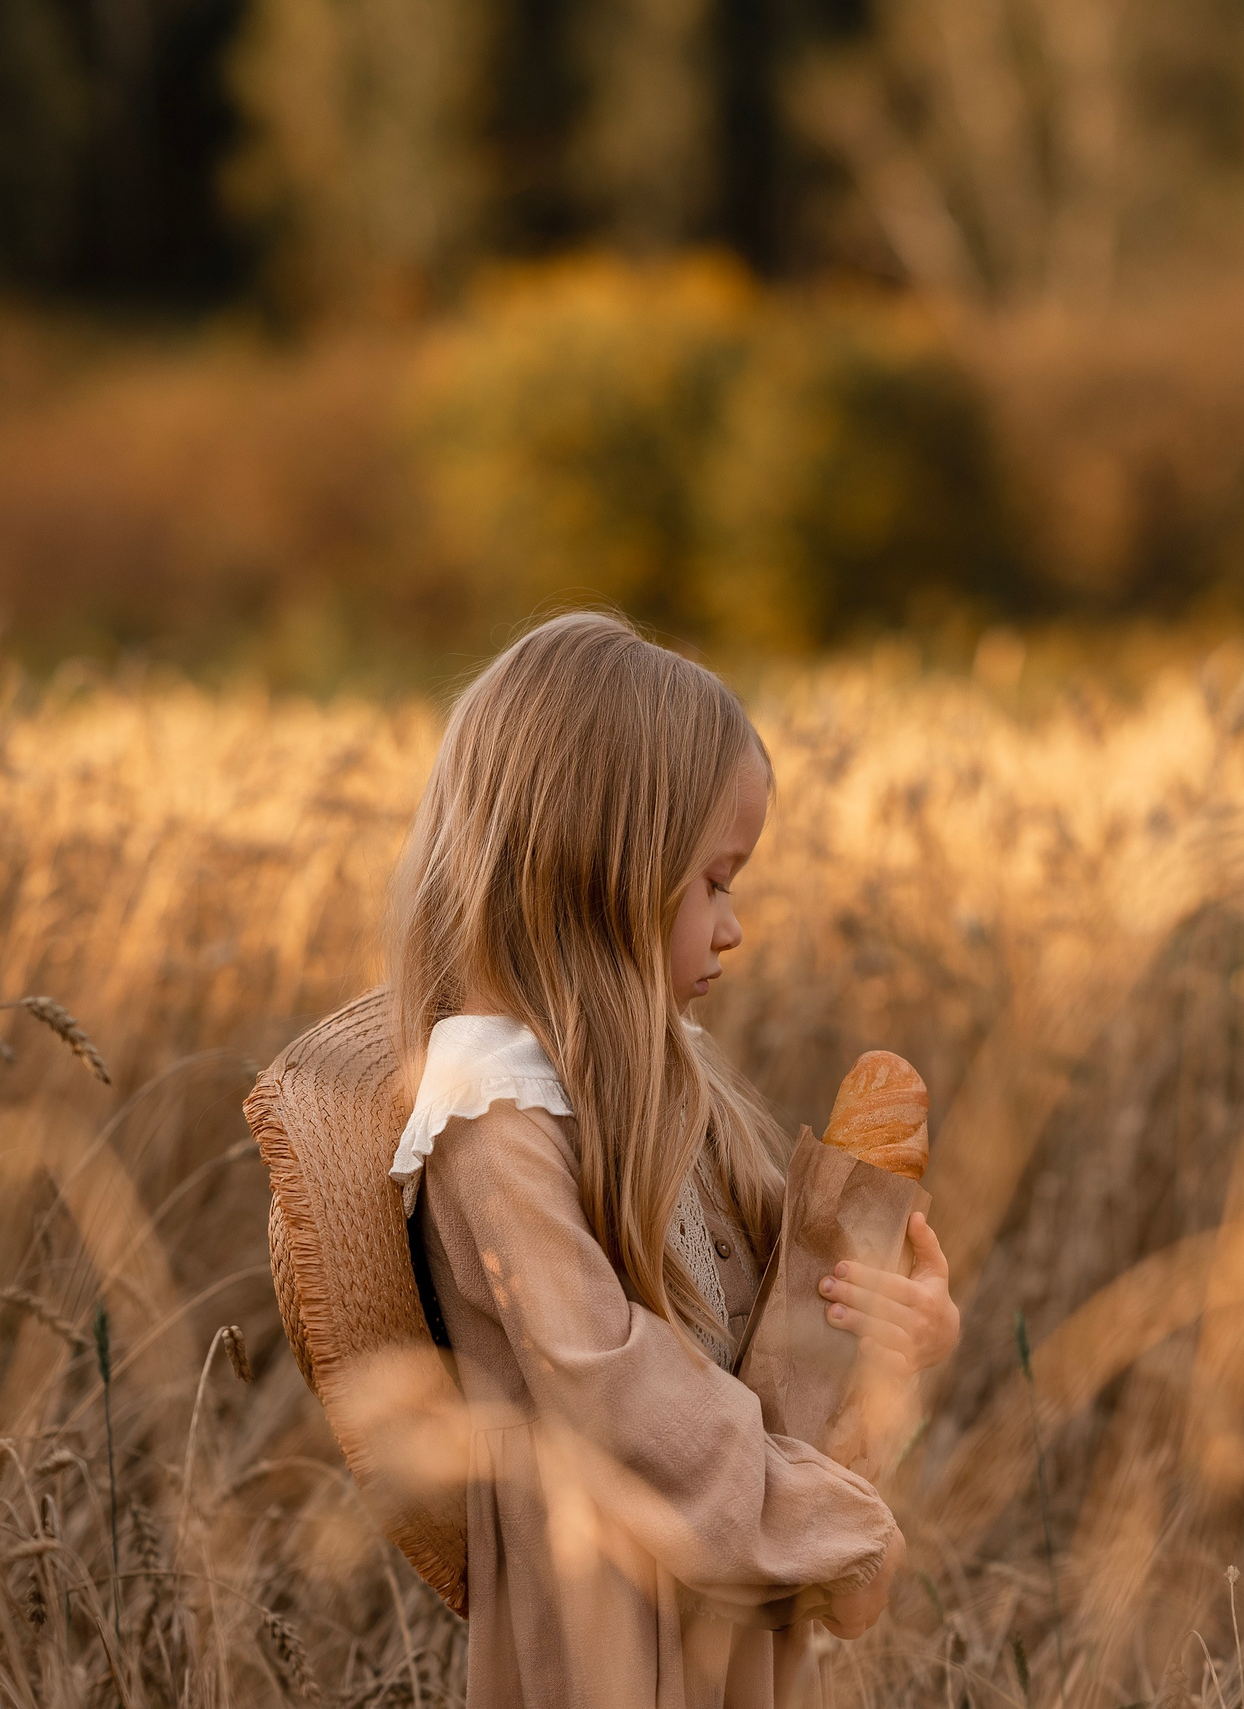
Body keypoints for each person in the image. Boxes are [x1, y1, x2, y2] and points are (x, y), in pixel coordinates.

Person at [382, 611, 963, 1707]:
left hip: (721, 1592)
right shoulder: (489, 1111)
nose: (734, 925)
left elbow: (764, 1310)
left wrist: (900, 1329)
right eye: (713, 881)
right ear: (600, 865)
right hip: (608, 1622)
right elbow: (605, 1375)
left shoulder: (659, 1078)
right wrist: (821, 1521)